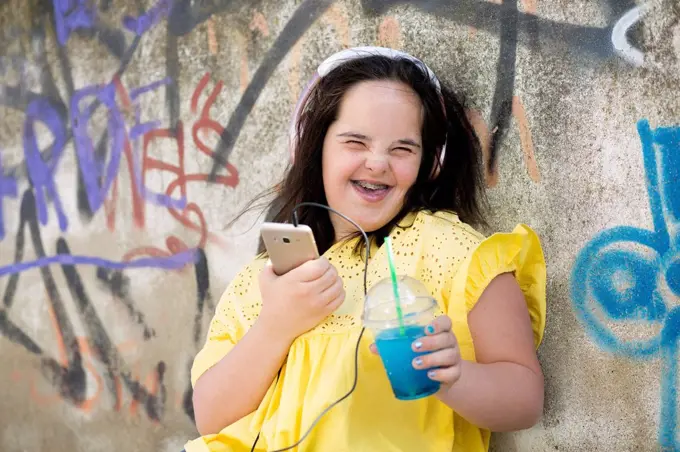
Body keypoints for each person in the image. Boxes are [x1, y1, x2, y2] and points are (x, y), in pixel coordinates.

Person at [183, 46, 546, 452]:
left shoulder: (453, 251)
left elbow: (525, 401)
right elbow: (211, 416)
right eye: (355, 142)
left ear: (431, 163)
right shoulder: (268, 277)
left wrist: (454, 376)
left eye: (402, 149)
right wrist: (276, 326)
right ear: (315, 146)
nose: (377, 163)